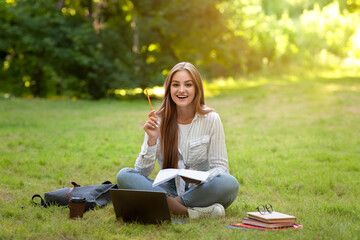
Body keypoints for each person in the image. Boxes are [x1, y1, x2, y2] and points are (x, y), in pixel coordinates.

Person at [116, 62, 239, 219]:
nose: (181, 90)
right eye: (175, 85)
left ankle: (168, 205)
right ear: (169, 89)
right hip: (167, 188)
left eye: (188, 84)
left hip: (199, 190)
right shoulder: (158, 119)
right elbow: (141, 172)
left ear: (197, 89)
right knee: (124, 175)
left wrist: (200, 177)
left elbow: (221, 168)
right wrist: (152, 140)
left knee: (230, 183)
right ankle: (189, 213)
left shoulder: (211, 119)